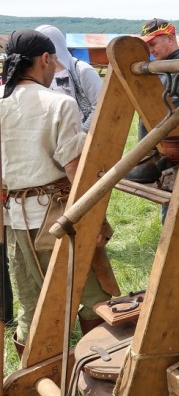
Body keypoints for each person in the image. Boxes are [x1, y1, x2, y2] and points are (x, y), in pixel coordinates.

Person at [1, 30, 112, 357]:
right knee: (95, 298)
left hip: (16, 223)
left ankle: (33, 382)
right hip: (60, 222)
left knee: (31, 305)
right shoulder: (59, 104)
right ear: (46, 59)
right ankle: (99, 376)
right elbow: (75, 170)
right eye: (54, 62)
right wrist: (97, 223)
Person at [138, 19, 179, 140]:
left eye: (153, 44)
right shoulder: (162, 68)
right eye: (147, 46)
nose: (150, 50)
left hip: (168, 149)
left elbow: (178, 122)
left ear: (170, 39)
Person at [36, 25, 102, 132]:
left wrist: (80, 134)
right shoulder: (41, 74)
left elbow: (99, 107)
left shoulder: (83, 71)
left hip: (85, 139)